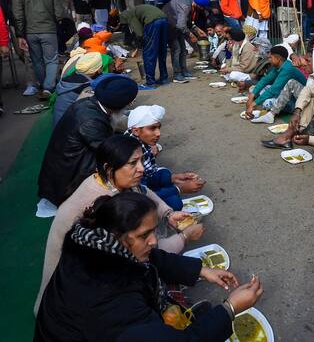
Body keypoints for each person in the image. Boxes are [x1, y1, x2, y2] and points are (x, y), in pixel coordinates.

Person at [35, 192, 262, 341]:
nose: (154, 240)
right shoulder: (111, 302)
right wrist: (230, 308)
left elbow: (152, 257)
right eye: (145, 235)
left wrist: (202, 271)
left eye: (153, 230)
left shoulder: (95, 242)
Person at [34, 135, 204, 314]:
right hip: (72, 303)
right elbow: (152, 252)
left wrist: (169, 213)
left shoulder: (104, 179)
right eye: (133, 163)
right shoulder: (107, 205)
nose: (141, 169)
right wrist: (185, 237)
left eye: (142, 160)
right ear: (109, 168)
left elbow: (144, 191)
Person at [38, 75, 138, 206]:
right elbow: (110, 152)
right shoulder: (91, 121)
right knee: (123, 167)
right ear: (120, 105)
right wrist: (139, 148)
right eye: (129, 103)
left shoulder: (89, 102)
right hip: (67, 182)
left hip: (60, 173)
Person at [125, 105, 204, 210]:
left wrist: (175, 178)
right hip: (131, 198)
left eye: (158, 127)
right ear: (136, 131)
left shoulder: (136, 140)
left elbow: (150, 172)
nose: (158, 133)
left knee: (166, 175)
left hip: (142, 183)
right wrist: (178, 189)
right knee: (175, 203)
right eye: (152, 128)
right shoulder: (129, 154)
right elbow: (140, 195)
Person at [12, 0, 65, 99]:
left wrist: (19, 35)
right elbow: (59, 14)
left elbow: (17, 15)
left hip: (30, 32)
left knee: (36, 61)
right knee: (51, 60)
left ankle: (44, 85)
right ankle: (48, 87)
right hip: (49, 31)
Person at [244, 45, 307, 120]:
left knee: (268, 102)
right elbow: (265, 80)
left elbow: (274, 89)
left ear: (278, 58)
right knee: (254, 89)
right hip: (285, 94)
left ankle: (272, 113)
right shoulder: (278, 66)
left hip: (297, 101)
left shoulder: (288, 68)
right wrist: (251, 96)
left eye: (271, 57)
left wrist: (253, 104)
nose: (269, 60)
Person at [164, 0, 210, 83]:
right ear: (196, 4)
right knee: (177, 50)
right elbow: (181, 25)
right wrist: (190, 34)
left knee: (183, 49)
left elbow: (186, 21)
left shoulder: (189, 2)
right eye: (200, 7)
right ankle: (177, 74)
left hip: (176, 25)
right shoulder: (185, 6)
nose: (200, 9)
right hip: (169, 25)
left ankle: (184, 71)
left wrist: (196, 29)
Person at [119, 4, 169, 88]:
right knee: (161, 50)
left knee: (148, 53)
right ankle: (164, 78)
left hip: (152, 22)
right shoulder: (136, 10)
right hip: (163, 19)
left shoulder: (127, 15)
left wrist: (139, 45)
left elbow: (140, 33)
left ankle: (150, 82)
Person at [52, 52, 103, 126]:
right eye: (101, 66)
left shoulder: (68, 78)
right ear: (97, 70)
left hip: (58, 126)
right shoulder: (86, 87)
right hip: (71, 131)